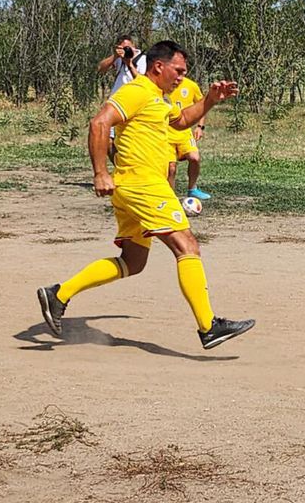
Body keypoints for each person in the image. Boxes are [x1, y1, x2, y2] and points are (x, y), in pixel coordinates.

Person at [36, 40, 254, 350]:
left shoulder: (158, 99)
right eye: (178, 71)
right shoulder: (137, 91)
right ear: (158, 67)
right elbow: (99, 123)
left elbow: (180, 121)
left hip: (134, 187)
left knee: (133, 262)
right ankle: (209, 327)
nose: (181, 78)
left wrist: (209, 100)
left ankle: (58, 295)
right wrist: (100, 173)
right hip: (143, 185)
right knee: (187, 245)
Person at [166, 75, 211, 202]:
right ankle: (171, 197)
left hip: (184, 133)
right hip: (166, 133)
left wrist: (200, 127)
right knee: (171, 167)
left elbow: (203, 105)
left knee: (195, 158)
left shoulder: (191, 85)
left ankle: (193, 189)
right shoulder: (163, 85)